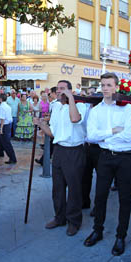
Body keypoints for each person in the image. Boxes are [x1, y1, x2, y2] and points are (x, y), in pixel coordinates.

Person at [83, 73, 131, 255]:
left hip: (126, 157)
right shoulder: (96, 110)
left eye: (109, 85)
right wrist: (113, 130)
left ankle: (121, 236)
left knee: (124, 198)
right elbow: (90, 136)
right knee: (100, 195)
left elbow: (129, 135)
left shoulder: (128, 108)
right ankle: (97, 230)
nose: (105, 88)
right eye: (103, 85)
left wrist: (103, 134)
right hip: (105, 156)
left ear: (116, 87)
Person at [35, 80, 87, 237]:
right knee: (57, 188)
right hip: (59, 150)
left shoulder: (81, 105)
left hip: (74, 151)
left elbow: (75, 119)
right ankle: (59, 218)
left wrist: (71, 99)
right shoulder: (55, 106)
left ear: (70, 91)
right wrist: (40, 125)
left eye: (62, 89)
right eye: (57, 89)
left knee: (74, 189)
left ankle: (74, 221)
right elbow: (53, 132)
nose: (58, 91)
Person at [0, 94, 17, 164]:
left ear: (0, 99)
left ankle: (12, 158)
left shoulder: (2, 107)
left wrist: (1, 128)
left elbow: (2, 118)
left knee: (6, 142)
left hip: (5, 125)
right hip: (8, 124)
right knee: (0, 141)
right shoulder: (8, 106)